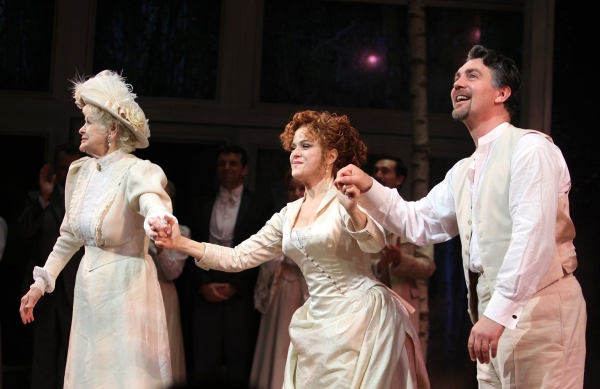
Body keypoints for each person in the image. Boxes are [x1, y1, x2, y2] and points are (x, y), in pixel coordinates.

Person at [335, 45, 586, 388]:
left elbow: (533, 237)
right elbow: (417, 223)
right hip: (492, 315)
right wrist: (368, 187)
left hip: (539, 309)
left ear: (502, 92)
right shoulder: (464, 170)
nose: (457, 84)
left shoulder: (530, 149)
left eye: (472, 75)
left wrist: (497, 315)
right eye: (455, 78)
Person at [151, 110, 430, 389]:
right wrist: (179, 243)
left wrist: (353, 211)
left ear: (331, 156)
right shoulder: (288, 214)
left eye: (306, 145)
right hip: (317, 319)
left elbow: (375, 243)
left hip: (360, 317)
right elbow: (237, 257)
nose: (295, 152)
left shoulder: (345, 197)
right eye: (293, 146)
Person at [19, 70, 174, 388]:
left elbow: (150, 201)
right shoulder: (82, 172)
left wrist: (157, 218)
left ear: (113, 129)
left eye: (89, 121)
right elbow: (68, 237)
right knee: (89, 372)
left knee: (121, 375)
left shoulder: (137, 170)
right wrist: (41, 283)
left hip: (126, 287)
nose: (81, 128)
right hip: (89, 287)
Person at [184, 144, 272, 387]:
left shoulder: (260, 205)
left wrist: (236, 286)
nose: (227, 168)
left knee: (239, 361)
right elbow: (187, 245)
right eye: (222, 163)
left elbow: (263, 252)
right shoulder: (199, 203)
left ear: (244, 169)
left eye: (233, 163)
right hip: (204, 289)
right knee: (203, 359)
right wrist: (203, 284)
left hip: (240, 292)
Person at [16, 143, 83, 389]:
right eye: (64, 168)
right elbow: (22, 233)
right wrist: (44, 197)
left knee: (74, 357)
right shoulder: (39, 198)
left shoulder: (88, 200)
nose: (68, 174)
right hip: (44, 291)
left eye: (72, 168)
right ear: (56, 169)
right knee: (43, 356)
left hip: (76, 289)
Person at [371, 155, 435, 361]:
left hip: (405, 304)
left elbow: (427, 267)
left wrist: (400, 260)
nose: (379, 175)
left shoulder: (414, 218)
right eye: (377, 170)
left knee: (405, 363)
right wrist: (380, 264)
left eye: (386, 171)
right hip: (371, 305)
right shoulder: (362, 218)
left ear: (399, 179)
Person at [249, 170, 308, 389]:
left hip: (309, 293)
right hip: (282, 288)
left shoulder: (323, 220)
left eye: (301, 188)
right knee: (279, 342)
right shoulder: (282, 219)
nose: (296, 193)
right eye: (292, 188)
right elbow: (267, 255)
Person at [148, 180, 189, 387]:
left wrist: (161, 250)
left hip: (165, 294)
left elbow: (173, 273)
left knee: (165, 351)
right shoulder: (139, 232)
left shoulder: (182, 232)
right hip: (142, 294)